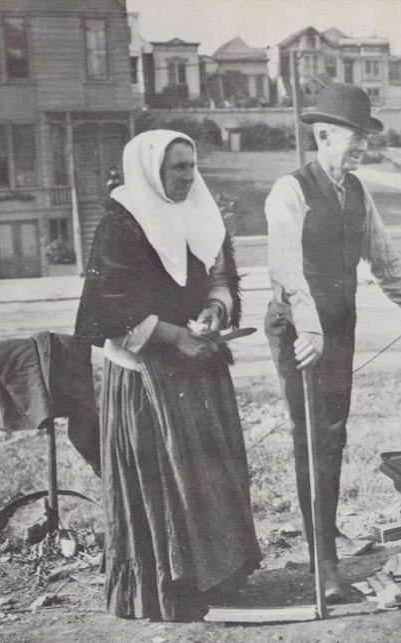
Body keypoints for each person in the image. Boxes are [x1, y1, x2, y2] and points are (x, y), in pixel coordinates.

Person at [265, 83, 401, 599]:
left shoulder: (358, 192)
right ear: (323, 135)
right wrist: (309, 328)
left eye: (366, 138)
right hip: (298, 329)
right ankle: (322, 562)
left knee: (334, 435)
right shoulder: (290, 190)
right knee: (312, 439)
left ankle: (324, 543)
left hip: (338, 328)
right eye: (355, 137)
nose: (363, 147)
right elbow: (283, 272)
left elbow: (385, 263)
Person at [75, 130, 260, 622]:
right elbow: (105, 307)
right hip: (146, 378)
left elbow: (222, 273)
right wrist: (175, 335)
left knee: (207, 475)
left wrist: (216, 309)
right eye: (177, 168)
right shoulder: (120, 226)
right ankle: (168, 589)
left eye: (191, 165)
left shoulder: (201, 211)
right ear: (151, 170)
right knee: (162, 479)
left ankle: (219, 575)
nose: (188, 176)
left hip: (199, 368)